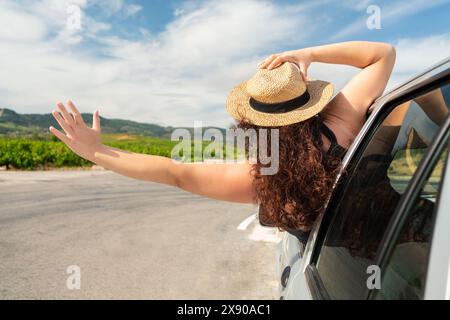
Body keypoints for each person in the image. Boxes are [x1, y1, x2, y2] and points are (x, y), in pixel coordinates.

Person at [49, 41, 396, 243]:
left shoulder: (265, 180)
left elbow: (174, 172)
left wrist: (96, 151)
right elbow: (383, 53)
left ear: (252, 122)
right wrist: (309, 54)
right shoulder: (341, 122)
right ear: (309, 103)